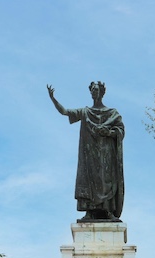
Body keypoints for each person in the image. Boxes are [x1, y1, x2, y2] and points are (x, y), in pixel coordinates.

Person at [47, 81, 124, 222]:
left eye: (96, 89)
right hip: (89, 155)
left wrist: (109, 132)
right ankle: (90, 211)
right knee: (88, 179)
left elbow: (120, 131)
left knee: (106, 179)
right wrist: (53, 99)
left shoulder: (112, 113)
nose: (94, 92)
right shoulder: (85, 112)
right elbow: (65, 112)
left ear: (102, 92)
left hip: (106, 154)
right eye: (92, 90)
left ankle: (107, 210)